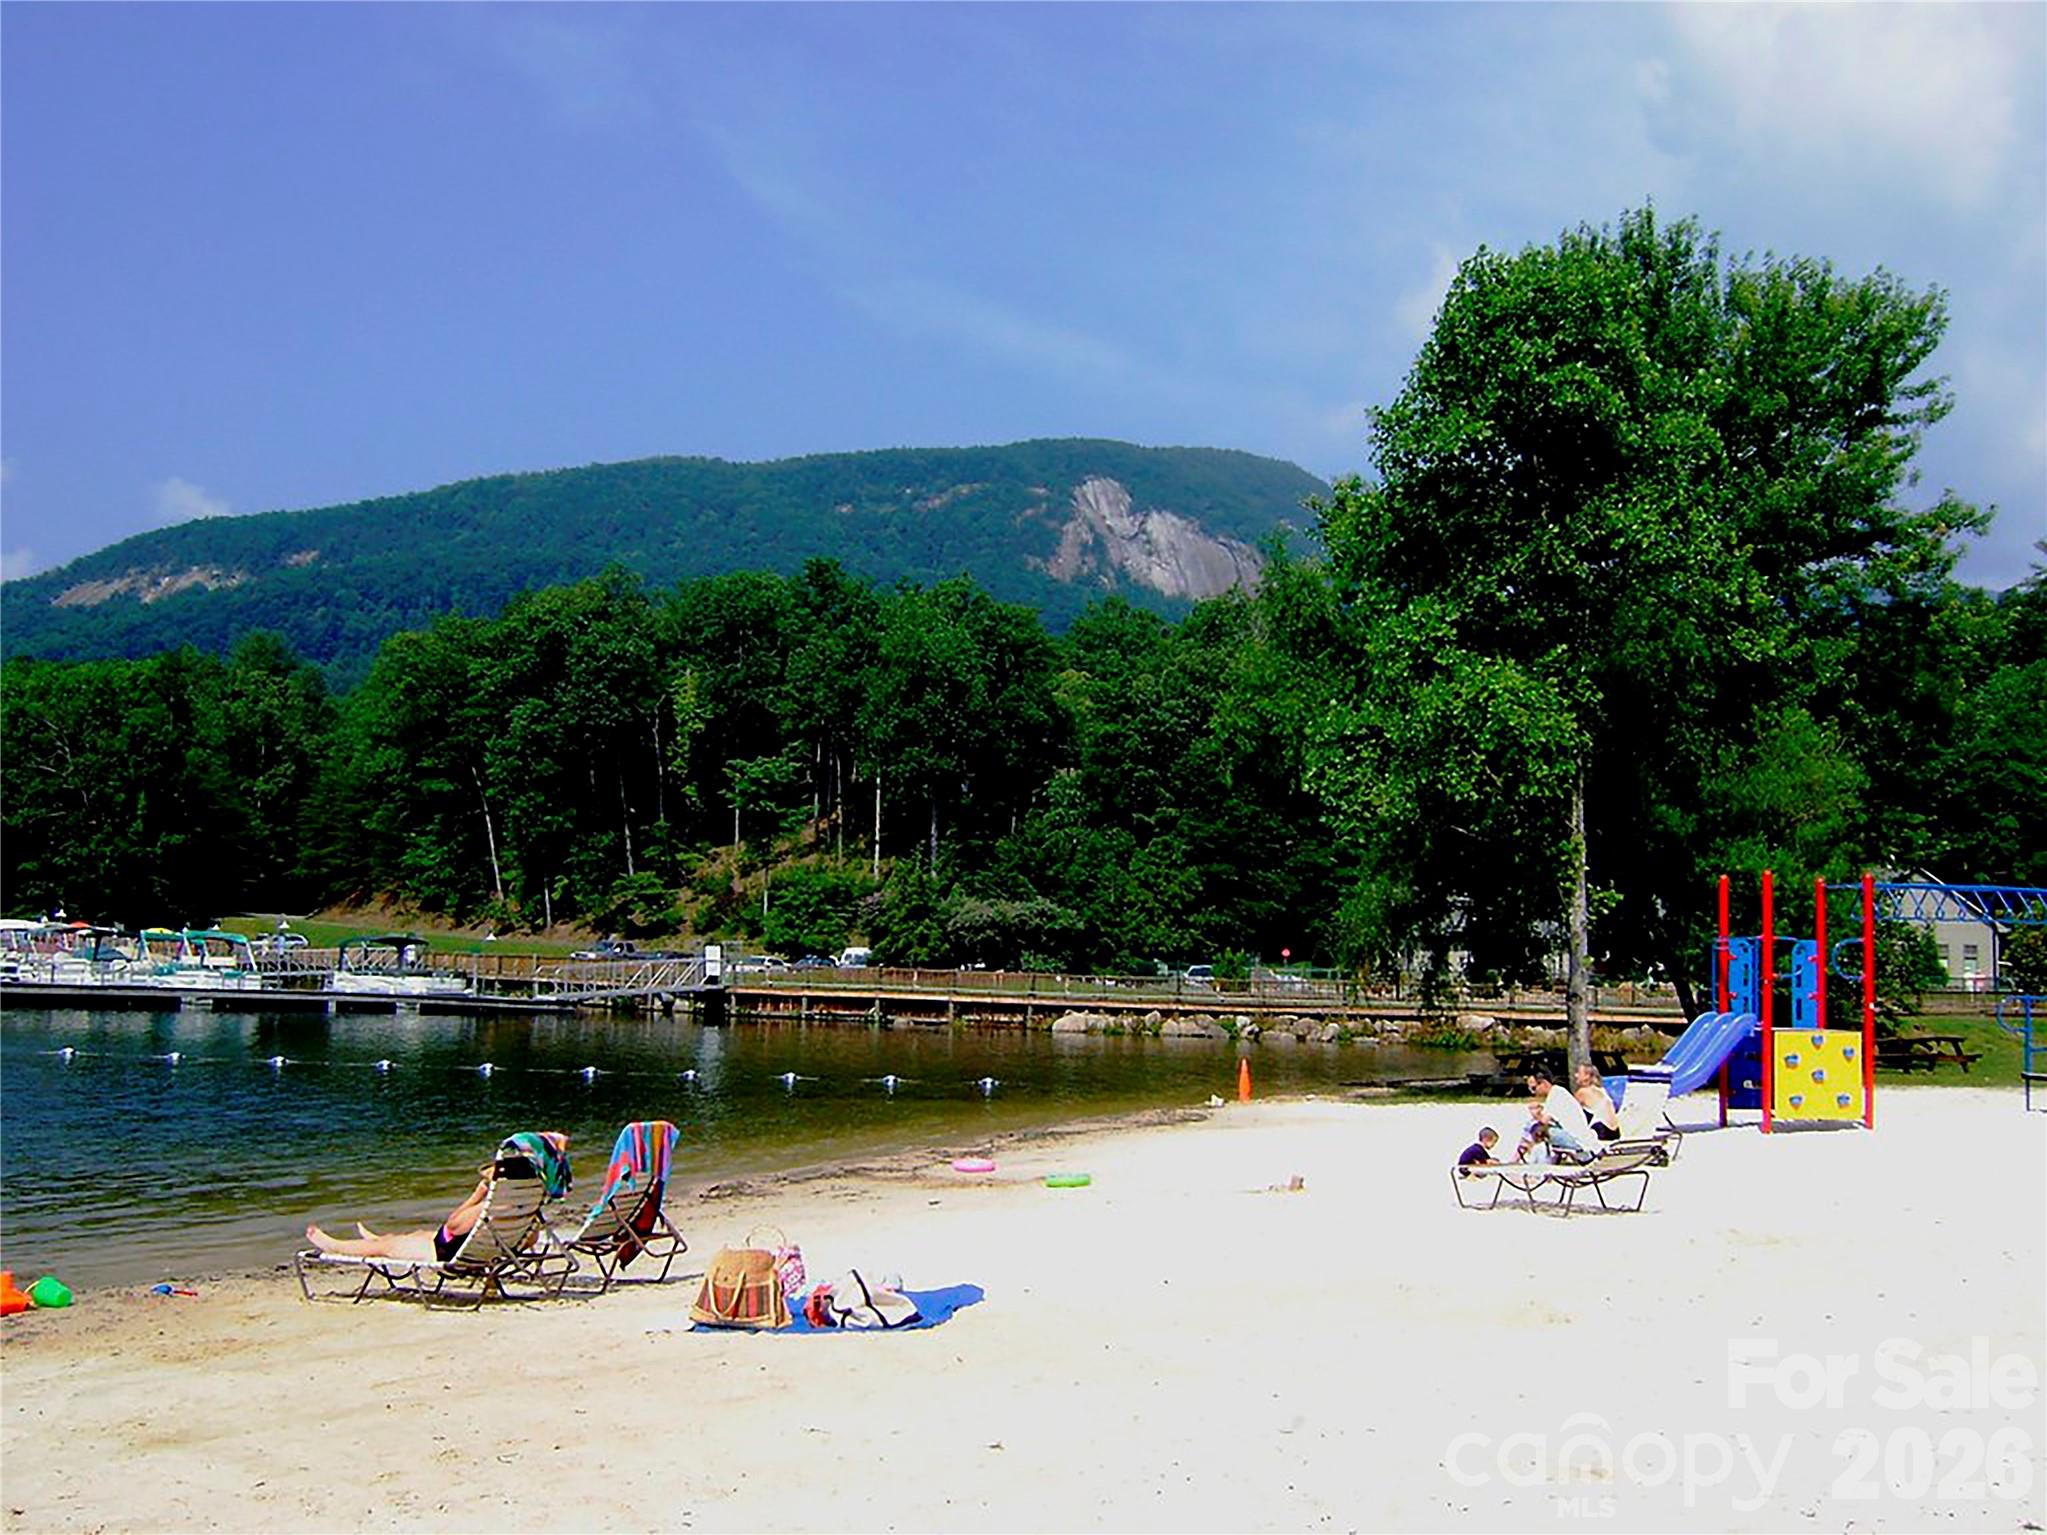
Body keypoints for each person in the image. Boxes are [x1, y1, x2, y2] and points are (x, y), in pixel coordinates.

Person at [305, 1131, 570, 1263]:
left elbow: (453, 1225)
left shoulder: (492, 1207)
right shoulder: (530, 1203)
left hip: (449, 1252)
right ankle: (378, 1238)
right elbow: (528, 1241)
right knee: (414, 1234)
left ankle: (335, 1246)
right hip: (491, 1248)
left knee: (385, 1248)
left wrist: (477, 1195)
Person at [1528, 1070, 1597, 1161]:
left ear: (1544, 1083)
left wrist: (1534, 1114)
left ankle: (1537, 1161)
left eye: (1534, 1088)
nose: (1533, 1093)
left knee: (1537, 1129)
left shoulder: (1555, 1095)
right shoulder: (1558, 1092)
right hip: (1579, 1136)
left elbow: (1544, 1120)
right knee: (1539, 1129)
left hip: (1576, 1139)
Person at [1575, 1063, 1622, 1141]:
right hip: (1615, 1131)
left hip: (1600, 1130)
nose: (1576, 1075)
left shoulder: (1582, 1092)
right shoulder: (1601, 1090)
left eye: (1578, 1073)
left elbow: (1569, 1108)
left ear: (1587, 1076)